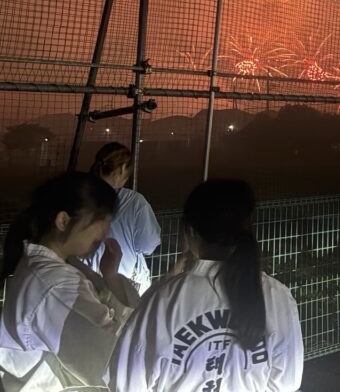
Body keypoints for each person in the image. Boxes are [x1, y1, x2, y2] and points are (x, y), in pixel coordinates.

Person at [106, 179, 303, 391]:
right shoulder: (277, 296)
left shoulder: (162, 300)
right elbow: (287, 382)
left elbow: (128, 383)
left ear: (189, 232)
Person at [0, 171, 139, 390]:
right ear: (63, 221)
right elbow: (115, 357)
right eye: (100, 222)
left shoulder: (44, 267)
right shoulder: (56, 285)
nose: (105, 234)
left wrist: (110, 275)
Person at [83, 141, 162, 294]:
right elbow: (148, 245)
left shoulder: (81, 194)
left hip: (84, 282)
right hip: (124, 284)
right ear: (122, 169)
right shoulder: (134, 201)